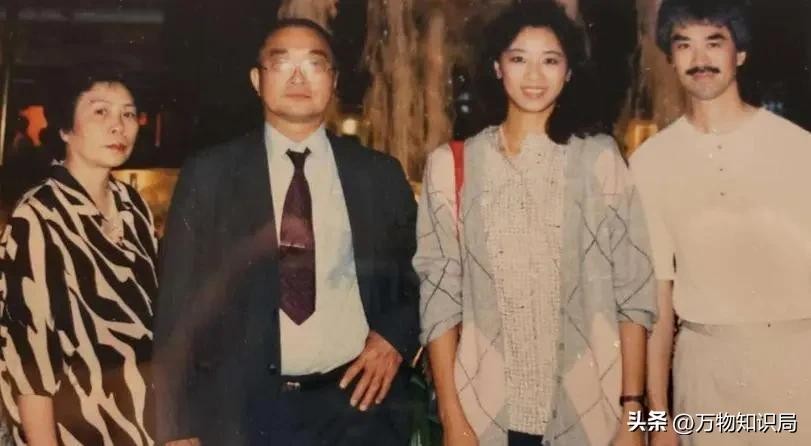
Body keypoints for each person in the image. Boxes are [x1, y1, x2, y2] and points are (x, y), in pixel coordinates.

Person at [154, 18, 419, 446]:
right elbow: (176, 305)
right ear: (257, 80)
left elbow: (422, 269)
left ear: (333, 80)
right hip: (244, 415)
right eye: (282, 64)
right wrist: (175, 426)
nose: (298, 77)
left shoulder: (378, 175)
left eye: (314, 64)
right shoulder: (210, 174)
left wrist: (394, 337)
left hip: (357, 408)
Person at [414, 2, 657, 445]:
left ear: (569, 72)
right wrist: (451, 417)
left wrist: (633, 413)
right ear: (497, 67)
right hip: (484, 414)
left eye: (550, 60)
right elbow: (439, 299)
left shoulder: (600, 160)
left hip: (590, 413)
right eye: (518, 58)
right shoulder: (450, 167)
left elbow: (634, 293)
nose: (533, 75)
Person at [631, 1, 811, 445]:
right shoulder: (651, 162)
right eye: (684, 45)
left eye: (714, 42)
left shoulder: (797, 148)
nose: (700, 59)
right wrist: (659, 421)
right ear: (670, 58)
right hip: (705, 375)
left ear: (740, 53)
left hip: (797, 367)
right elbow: (657, 299)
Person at [0, 67, 158, 445]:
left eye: (128, 113)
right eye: (100, 111)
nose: (119, 126)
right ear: (65, 129)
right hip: (74, 429)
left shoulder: (133, 206)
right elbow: (30, 363)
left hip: (143, 425)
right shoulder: (37, 217)